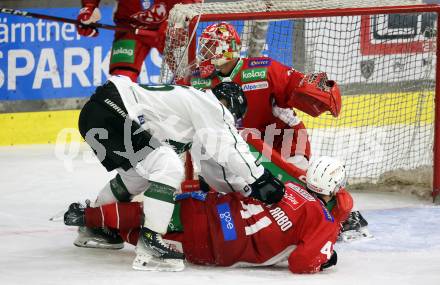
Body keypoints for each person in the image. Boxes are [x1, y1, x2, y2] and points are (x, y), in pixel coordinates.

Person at [76, 75, 285, 271]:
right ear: (229, 104)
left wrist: (243, 190)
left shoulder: (191, 119)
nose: (230, 122)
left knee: (138, 176)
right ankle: (151, 241)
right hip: (113, 110)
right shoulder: (211, 105)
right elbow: (229, 148)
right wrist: (260, 178)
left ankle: (93, 225)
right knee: (169, 166)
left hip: (96, 115)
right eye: (232, 117)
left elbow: (216, 168)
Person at [64, 156, 353, 273]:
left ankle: (89, 216)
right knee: (151, 240)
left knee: (151, 215)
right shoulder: (323, 222)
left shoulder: (286, 183)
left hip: (211, 207)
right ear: (333, 190)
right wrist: (327, 256)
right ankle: (116, 231)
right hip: (221, 246)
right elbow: (302, 263)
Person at [187, 22, 342, 171]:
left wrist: (321, 91)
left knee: (293, 192)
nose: (204, 54)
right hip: (242, 151)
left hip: (286, 144)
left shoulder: (264, 71)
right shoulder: (197, 80)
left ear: (226, 51)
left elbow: (298, 83)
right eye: (205, 48)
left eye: (210, 48)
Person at [77, 0, 201, 82]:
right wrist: (89, 7)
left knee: (191, 79)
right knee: (121, 82)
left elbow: (194, 6)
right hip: (131, 30)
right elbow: (90, 7)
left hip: (172, 30)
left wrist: (178, 21)